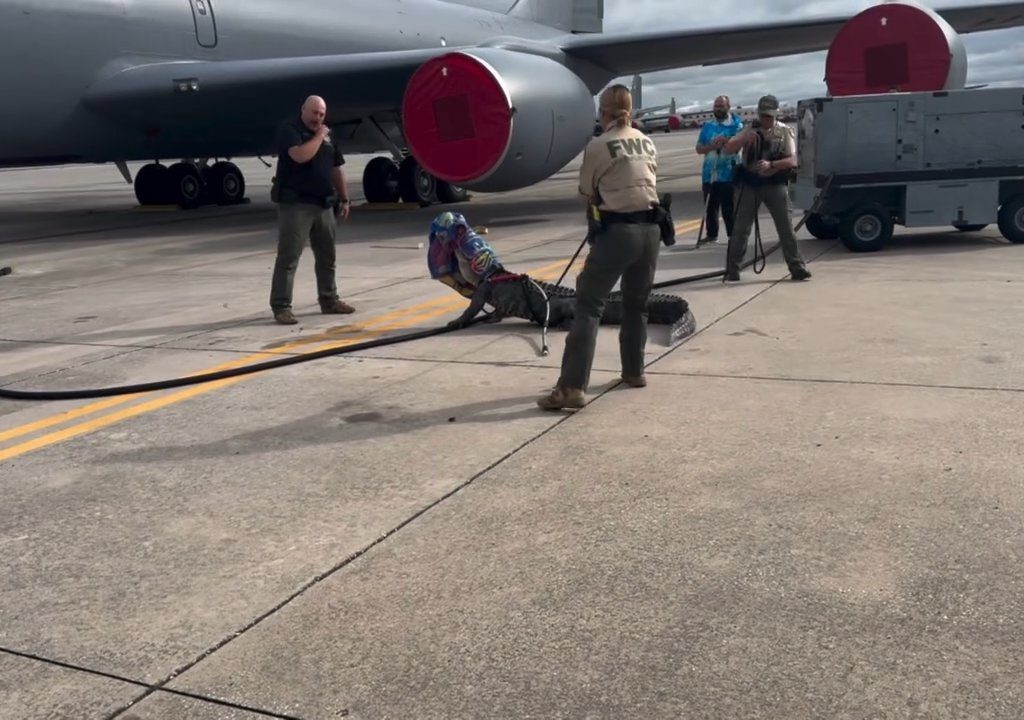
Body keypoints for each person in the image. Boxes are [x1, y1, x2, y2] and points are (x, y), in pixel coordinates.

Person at [537, 83, 662, 411]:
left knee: (589, 307)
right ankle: (634, 371)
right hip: (651, 230)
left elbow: (585, 192)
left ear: (602, 112)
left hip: (618, 233)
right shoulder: (647, 142)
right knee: (638, 304)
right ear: (631, 111)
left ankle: (572, 386)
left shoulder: (599, 145)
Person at [269, 95, 355, 325]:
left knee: (327, 256)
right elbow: (299, 156)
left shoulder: (328, 135)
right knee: (289, 257)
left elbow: (337, 167)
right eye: (314, 113)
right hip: (296, 205)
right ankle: (281, 306)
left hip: (323, 204)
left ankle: (329, 300)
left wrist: (344, 198)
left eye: (322, 114)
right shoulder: (290, 129)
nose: (318, 118)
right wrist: (319, 136)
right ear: (303, 111)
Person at [722, 94, 812, 282]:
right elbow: (729, 149)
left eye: (770, 116)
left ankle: (797, 267)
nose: (766, 120)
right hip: (749, 185)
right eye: (763, 116)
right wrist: (745, 138)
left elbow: (793, 160)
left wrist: (772, 165)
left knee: (786, 228)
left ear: (776, 114)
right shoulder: (748, 129)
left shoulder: (784, 131)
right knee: (741, 229)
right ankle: (732, 269)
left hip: (774, 184)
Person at [695, 95, 743, 245]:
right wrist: (711, 147)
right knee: (710, 207)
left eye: (721, 106)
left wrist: (726, 142)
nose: (718, 109)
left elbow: (738, 146)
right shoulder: (708, 127)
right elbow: (699, 148)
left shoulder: (736, 125)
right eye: (716, 106)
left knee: (729, 208)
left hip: (728, 174)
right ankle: (711, 234)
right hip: (710, 174)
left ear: (728, 107)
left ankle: (733, 235)